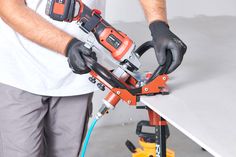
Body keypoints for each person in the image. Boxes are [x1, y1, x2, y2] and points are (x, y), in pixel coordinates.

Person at [0, 0, 187, 156]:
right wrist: (67, 45)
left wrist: (158, 23)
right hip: (21, 72)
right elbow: (8, 6)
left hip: (77, 77)